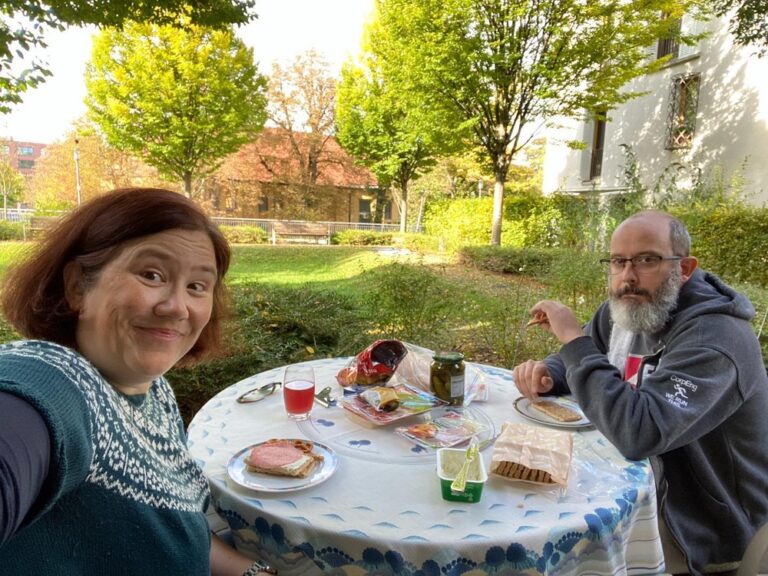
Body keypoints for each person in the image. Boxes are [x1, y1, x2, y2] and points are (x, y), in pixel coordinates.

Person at [0, 188, 275, 575]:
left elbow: (185, 531)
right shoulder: (54, 380)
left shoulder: (153, 392)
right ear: (78, 285)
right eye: (151, 275)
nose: (177, 307)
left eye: (197, 286)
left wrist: (257, 573)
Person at [513, 210, 768, 576]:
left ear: (684, 268)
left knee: (553, 552)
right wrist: (550, 374)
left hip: (698, 526)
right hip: (635, 486)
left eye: (647, 260)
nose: (628, 277)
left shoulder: (715, 341)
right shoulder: (628, 309)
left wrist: (572, 338)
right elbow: (585, 359)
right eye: (618, 261)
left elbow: (639, 433)